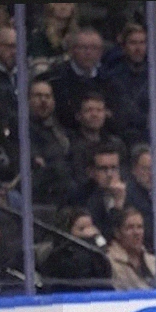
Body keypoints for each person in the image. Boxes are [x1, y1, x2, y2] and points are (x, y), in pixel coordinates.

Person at [38, 205, 112, 291]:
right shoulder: (62, 258)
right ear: (67, 232)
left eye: (91, 226)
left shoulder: (100, 253)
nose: (90, 232)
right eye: (82, 229)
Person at [26, 77, 76, 205]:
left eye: (47, 96)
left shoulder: (61, 128)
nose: (43, 100)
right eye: (38, 96)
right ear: (28, 100)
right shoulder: (22, 129)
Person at [105, 206, 156, 290]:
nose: (136, 232)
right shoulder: (108, 263)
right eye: (130, 228)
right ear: (117, 233)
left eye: (139, 227)